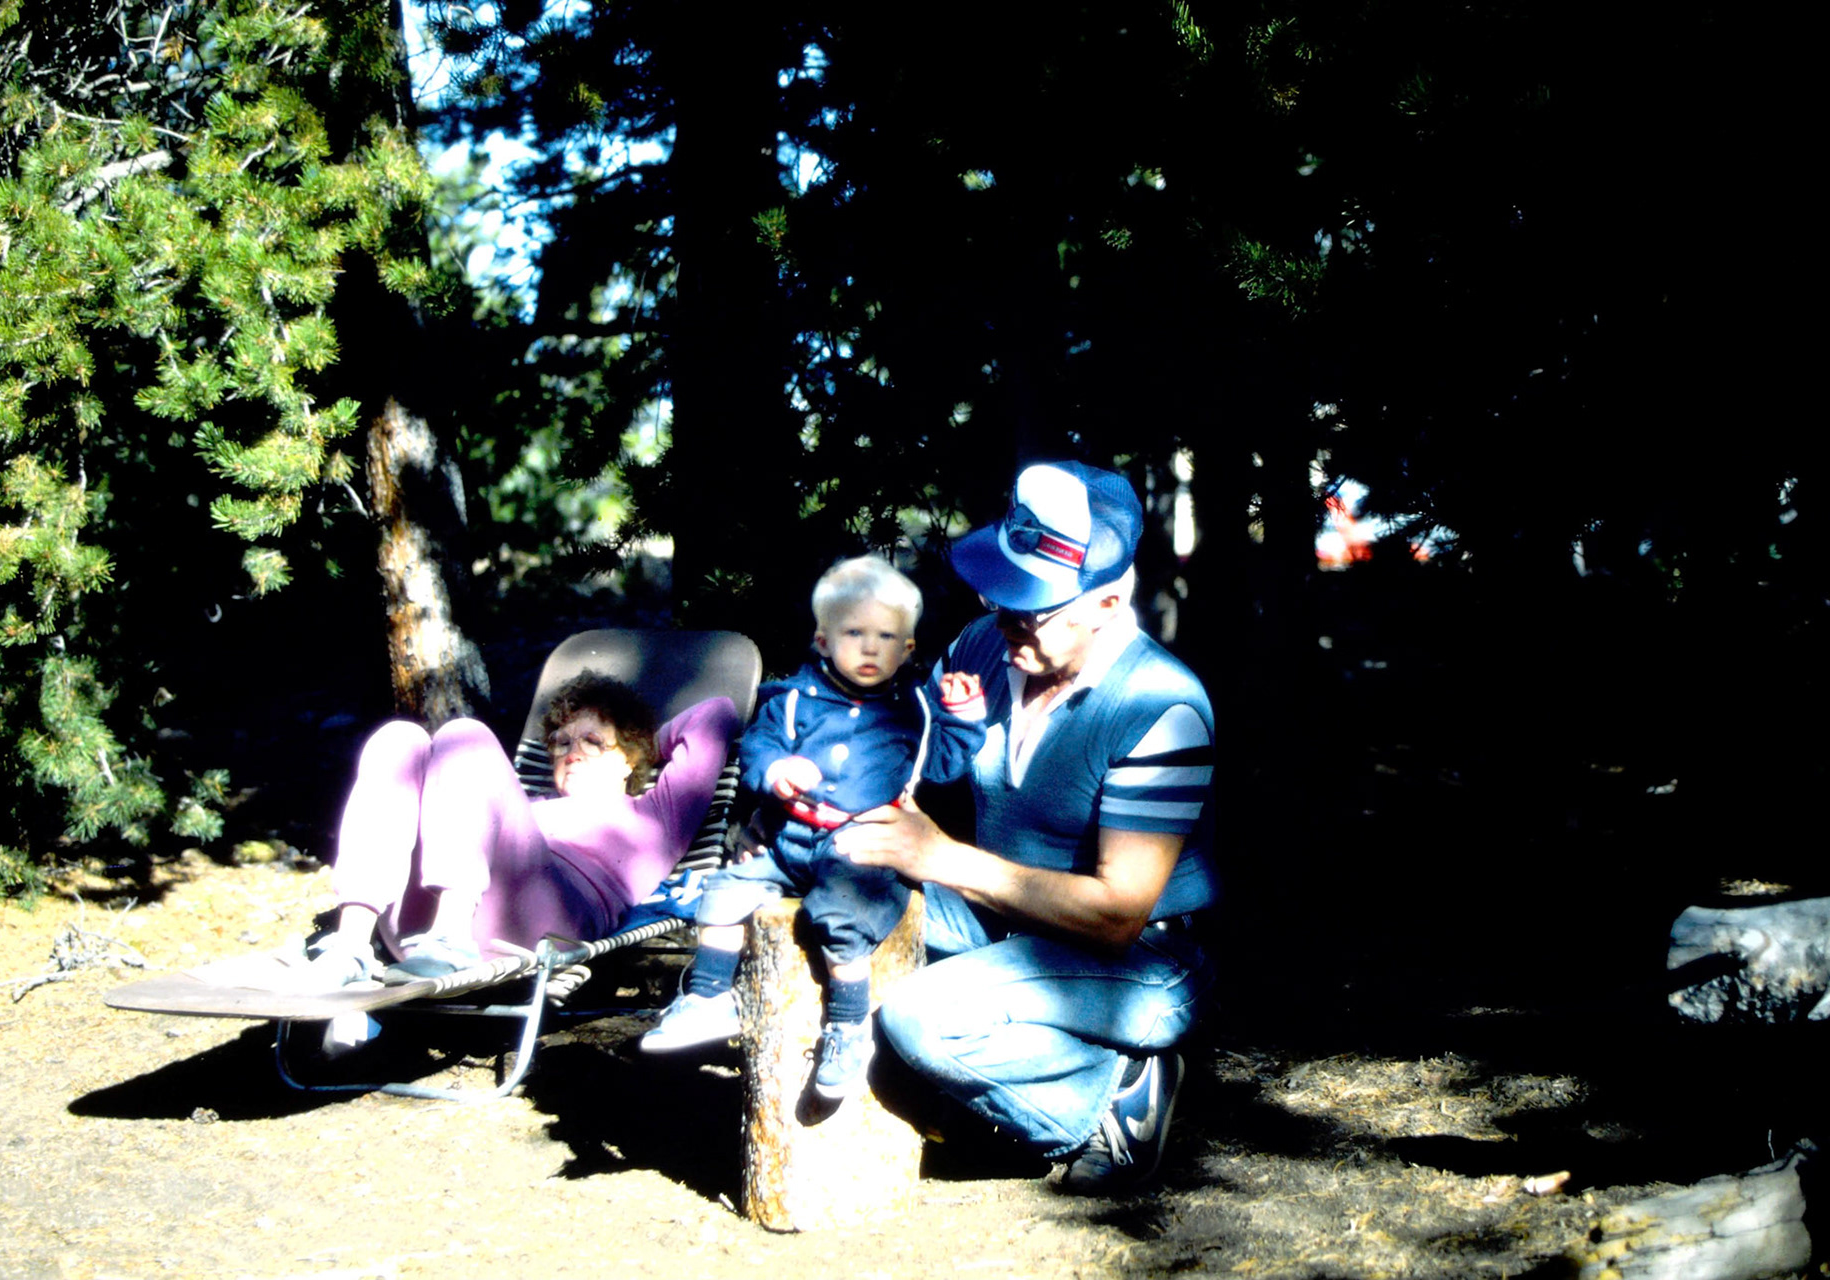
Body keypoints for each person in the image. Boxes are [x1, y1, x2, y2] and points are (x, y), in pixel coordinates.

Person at [834, 461, 1219, 1194]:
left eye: (1031, 608)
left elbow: (1117, 914)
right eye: (999, 596)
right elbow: (902, 751)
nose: (1006, 620)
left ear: (1107, 604)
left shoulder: (1160, 705)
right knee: (835, 888)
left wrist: (940, 857)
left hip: (1139, 959)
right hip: (1007, 923)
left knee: (924, 1018)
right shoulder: (988, 645)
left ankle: (1112, 1092)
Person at [641, 556, 986, 1099]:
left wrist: (965, 719)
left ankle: (849, 1030)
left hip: (858, 847)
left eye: (885, 637)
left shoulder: (915, 707)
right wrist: (776, 772)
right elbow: (758, 748)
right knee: (723, 892)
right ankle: (708, 998)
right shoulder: (793, 698)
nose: (870, 649)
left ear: (907, 649)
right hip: (786, 839)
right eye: (854, 634)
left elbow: (941, 766)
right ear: (823, 641)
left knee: (842, 920)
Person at [307, 673, 741, 995]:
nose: (572, 753)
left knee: (464, 735)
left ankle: (451, 938)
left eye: (592, 742)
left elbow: (717, 713)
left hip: (544, 924)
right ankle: (351, 947)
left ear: (628, 758)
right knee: (398, 738)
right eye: (561, 742)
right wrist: (613, 743)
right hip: (416, 927)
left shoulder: (655, 817)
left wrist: (643, 745)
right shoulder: (522, 804)